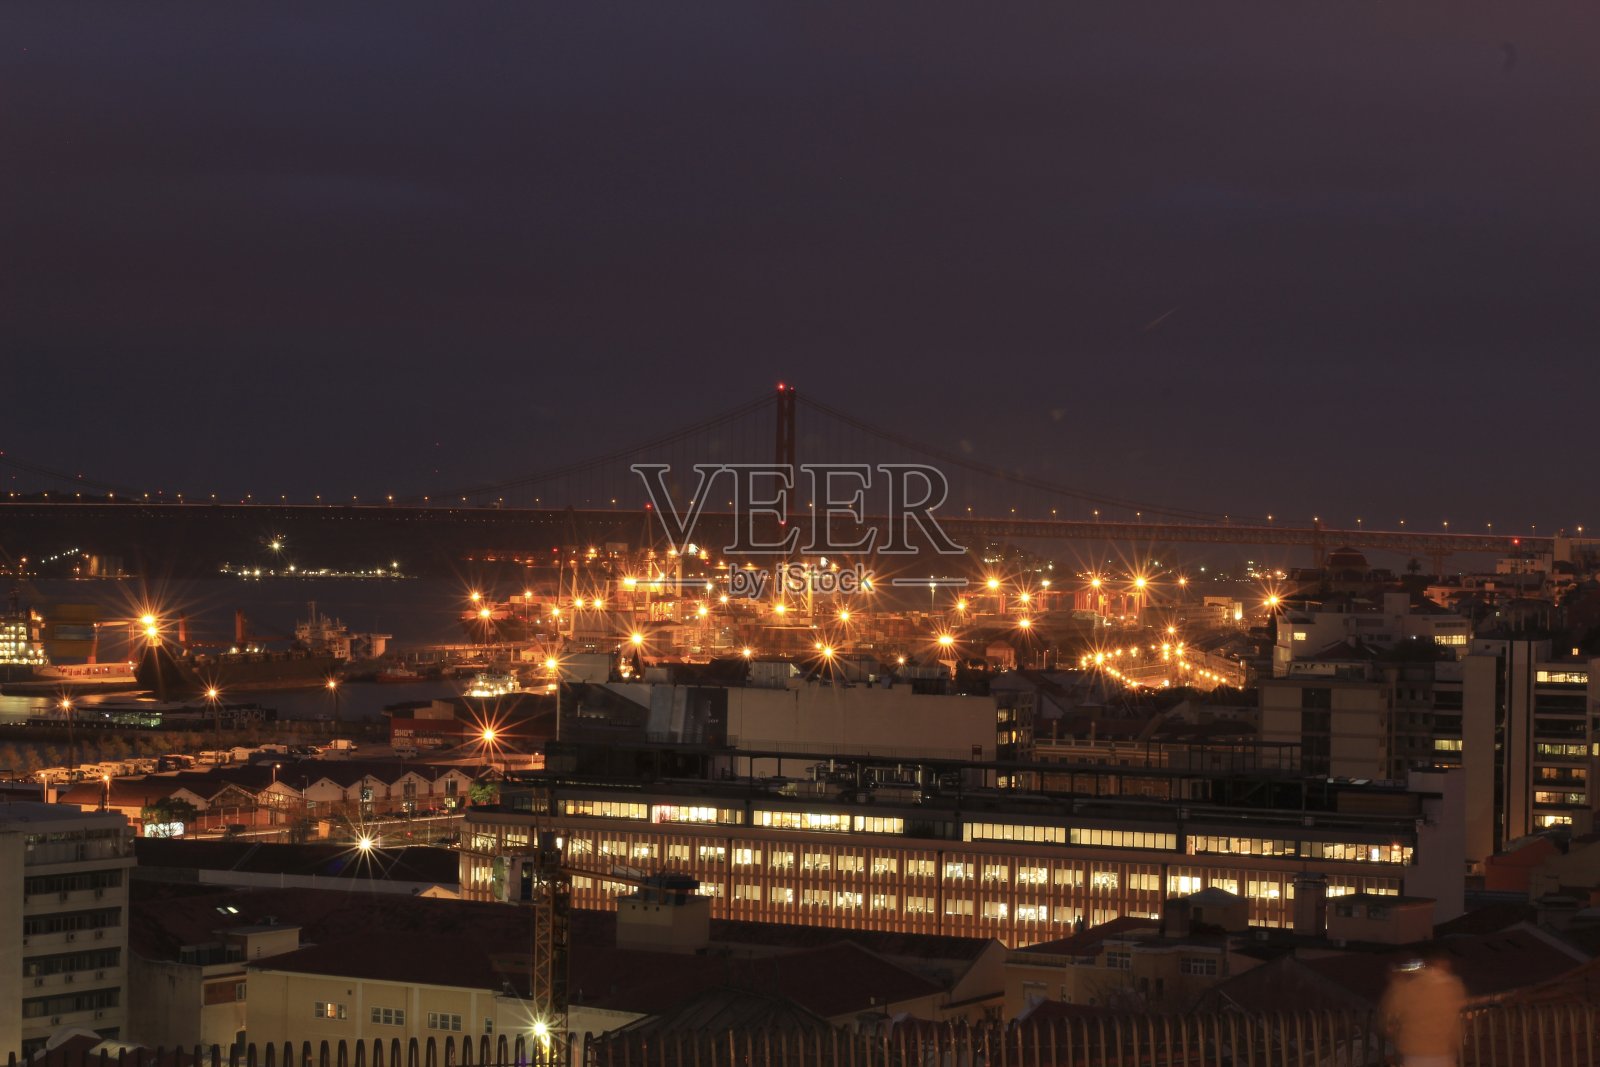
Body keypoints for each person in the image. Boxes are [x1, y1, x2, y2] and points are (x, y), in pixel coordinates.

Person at [1380, 950, 1468, 1067]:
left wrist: (1397, 981)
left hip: (1416, 1052)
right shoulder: (1454, 987)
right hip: (1445, 1052)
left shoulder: (1411, 987)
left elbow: (1388, 1013)